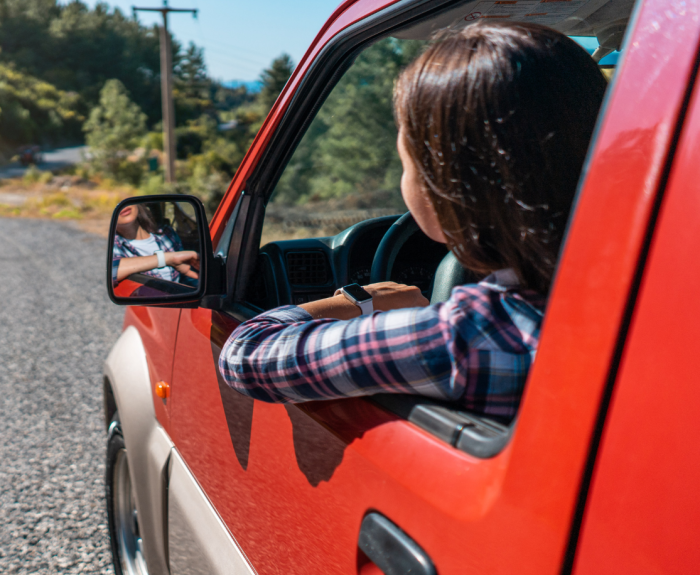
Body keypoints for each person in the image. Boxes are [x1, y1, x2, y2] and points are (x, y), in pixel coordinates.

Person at [218, 22, 607, 423]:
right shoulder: (652, 296)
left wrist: (360, 300)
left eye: (407, 164)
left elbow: (244, 355)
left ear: (448, 188)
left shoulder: (462, 338)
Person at [112, 203, 200, 285]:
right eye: (113, 202)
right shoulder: (115, 245)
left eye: (124, 199)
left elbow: (185, 275)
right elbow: (111, 272)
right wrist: (167, 259)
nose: (122, 205)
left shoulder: (167, 234)